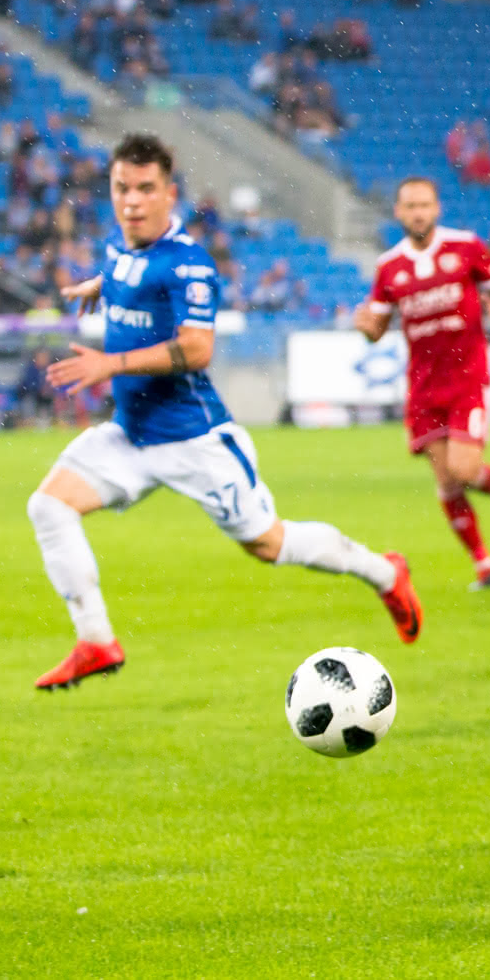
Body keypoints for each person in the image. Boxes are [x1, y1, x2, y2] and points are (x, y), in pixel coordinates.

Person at [29, 134, 421, 691]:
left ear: (169, 194)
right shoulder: (120, 250)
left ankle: (384, 572)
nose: (132, 201)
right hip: (132, 437)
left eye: (145, 189)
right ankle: (95, 640)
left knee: (268, 544)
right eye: (122, 188)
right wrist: (103, 286)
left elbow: (197, 348)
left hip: (196, 441)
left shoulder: (189, 264)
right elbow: (130, 275)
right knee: (48, 506)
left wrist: (110, 363)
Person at [354, 178, 490, 591]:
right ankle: (484, 565)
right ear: (398, 212)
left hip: (465, 378)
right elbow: (375, 326)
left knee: (464, 469)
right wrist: (365, 327)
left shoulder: (465, 247)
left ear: (437, 209)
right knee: (447, 481)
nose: (418, 213)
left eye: (424, 205)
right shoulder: (389, 267)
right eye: (410, 205)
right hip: (423, 387)